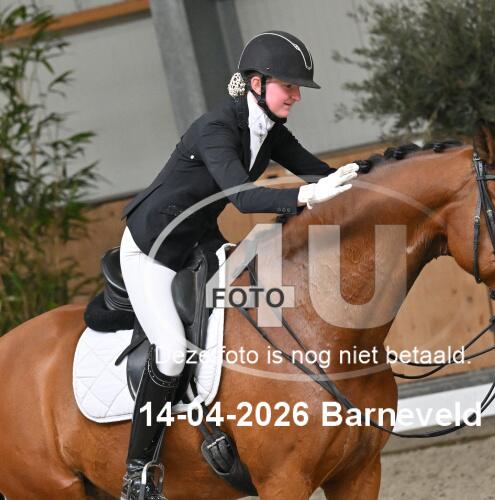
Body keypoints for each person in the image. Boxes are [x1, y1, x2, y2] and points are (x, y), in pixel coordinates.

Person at [118, 30, 358, 499]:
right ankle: (138, 472)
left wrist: (372, 178)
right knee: (171, 349)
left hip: (198, 245)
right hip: (153, 248)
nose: (295, 96)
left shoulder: (268, 130)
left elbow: (318, 171)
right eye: (288, 86)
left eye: (298, 88)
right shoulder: (217, 128)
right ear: (256, 83)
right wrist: (309, 195)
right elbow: (243, 198)